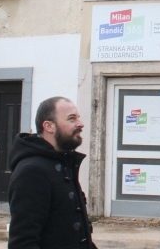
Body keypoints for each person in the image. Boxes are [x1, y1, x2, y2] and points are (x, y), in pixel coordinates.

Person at [8, 96, 96, 249]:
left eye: (78, 118)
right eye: (72, 119)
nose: (80, 124)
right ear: (49, 126)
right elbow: (23, 242)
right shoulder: (32, 172)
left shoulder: (64, 164)